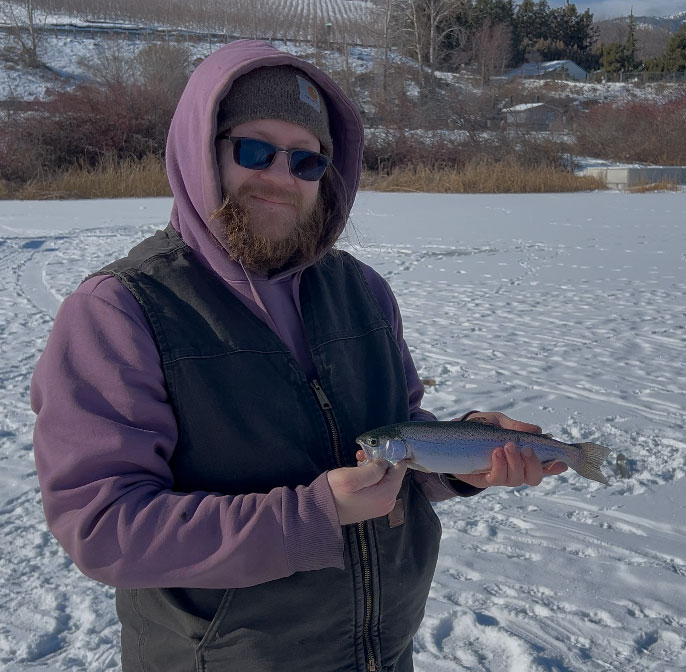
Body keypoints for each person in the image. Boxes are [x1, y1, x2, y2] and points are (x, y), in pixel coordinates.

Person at [31, 40, 566, 672]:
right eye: (255, 149)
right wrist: (311, 516)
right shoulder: (120, 311)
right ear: (202, 152)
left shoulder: (361, 291)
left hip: (379, 655)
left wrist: (460, 461)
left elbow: (390, 455)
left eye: (307, 161)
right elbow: (104, 526)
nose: (281, 177)